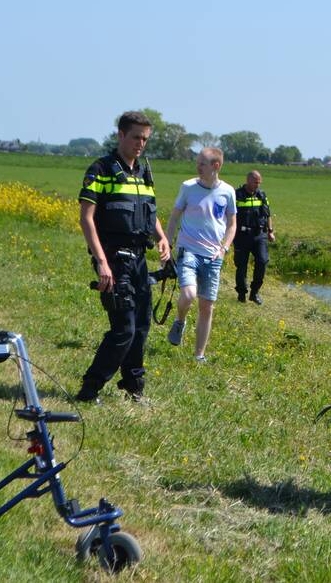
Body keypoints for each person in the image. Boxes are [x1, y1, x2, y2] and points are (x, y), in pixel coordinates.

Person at [76, 111, 171, 403]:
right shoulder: (102, 169)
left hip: (139, 260)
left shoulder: (143, 173)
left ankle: (134, 388)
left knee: (141, 326)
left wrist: (162, 237)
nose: (140, 144)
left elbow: (148, 212)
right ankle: (89, 389)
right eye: (135, 137)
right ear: (120, 135)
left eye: (145, 139)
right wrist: (101, 261)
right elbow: (86, 219)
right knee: (124, 329)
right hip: (114, 260)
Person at [164, 148, 237, 363]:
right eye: (197, 163)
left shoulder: (228, 192)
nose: (198, 167)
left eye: (202, 163)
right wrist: (167, 244)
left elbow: (232, 224)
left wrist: (224, 248)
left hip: (214, 257)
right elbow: (174, 217)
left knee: (207, 306)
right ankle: (180, 321)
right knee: (188, 295)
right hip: (188, 251)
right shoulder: (188, 187)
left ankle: (199, 355)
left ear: (216, 166)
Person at [233, 170, 274, 304]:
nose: (258, 185)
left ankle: (254, 292)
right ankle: (241, 294)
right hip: (241, 236)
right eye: (256, 182)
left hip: (259, 235)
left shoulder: (261, 195)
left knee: (262, 261)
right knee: (241, 266)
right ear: (248, 181)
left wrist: (270, 231)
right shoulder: (237, 195)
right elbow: (229, 215)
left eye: (259, 182)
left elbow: (268, 215)